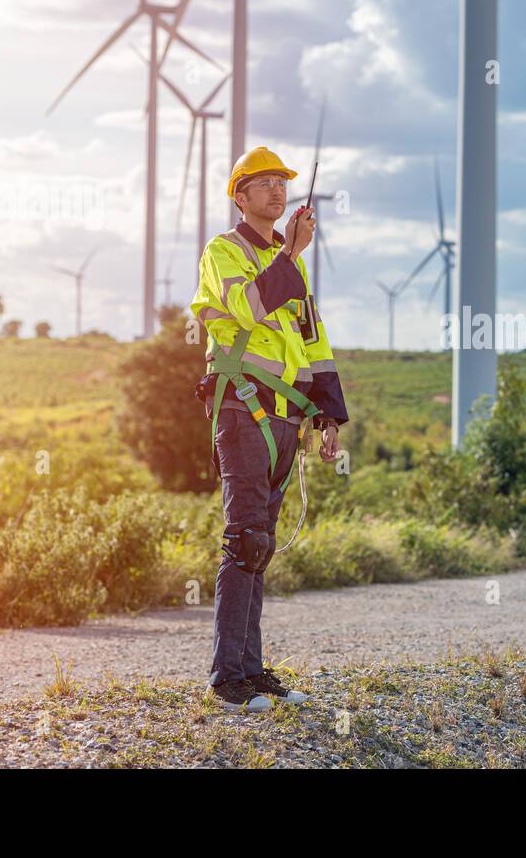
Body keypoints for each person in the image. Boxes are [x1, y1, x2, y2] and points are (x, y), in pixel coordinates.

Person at [189, 145, 350, 712]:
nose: (278, 191)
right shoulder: (223, 251)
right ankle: (225, 679)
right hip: (241, 409)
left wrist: (327, 415)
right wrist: (291, 251)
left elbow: (313, 341)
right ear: (240, 196)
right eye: (263, 184)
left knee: (263, 546)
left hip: (287, 416)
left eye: (282, 182)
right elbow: (251, 306)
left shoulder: (295, 264)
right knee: (245, 539)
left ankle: (252, 672)